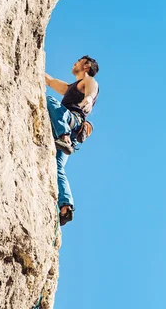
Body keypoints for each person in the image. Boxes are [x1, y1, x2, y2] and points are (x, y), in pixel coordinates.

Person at [45, 55, 100, 226]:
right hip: (71, 130)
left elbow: (92, 89)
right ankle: (65, 206)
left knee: (49, 101)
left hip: (71, 121)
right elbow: (51, 81)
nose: (74, 62)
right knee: (57, 167)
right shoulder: (71, 87)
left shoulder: (87, 81)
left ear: (87, 66)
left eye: (78, 61)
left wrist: (89, 99)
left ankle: (63, 137)